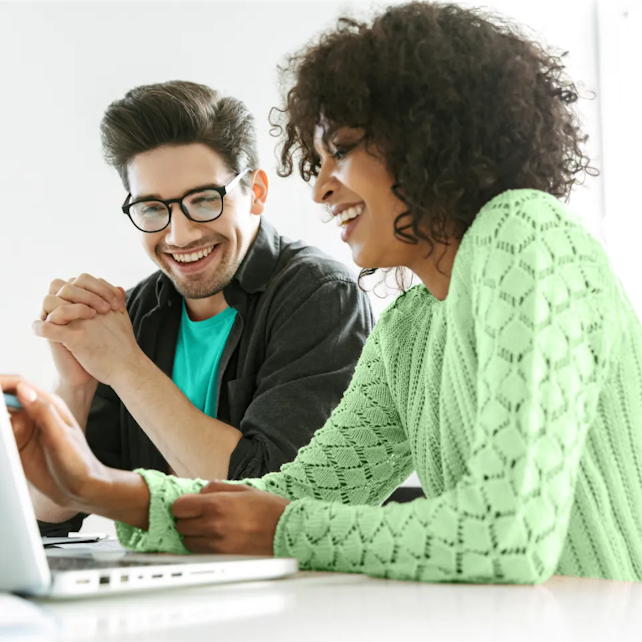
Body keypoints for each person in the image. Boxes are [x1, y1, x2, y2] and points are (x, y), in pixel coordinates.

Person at [5, 0, 642, 583]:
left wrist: (278, 527)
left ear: (425, 138)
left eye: (340, 152)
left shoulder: (522, 231)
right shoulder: (410, 328)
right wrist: (92, 485)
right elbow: (302, 492)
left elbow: (505, 539)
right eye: (317, 161)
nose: (319, 189)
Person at [29, 81, 374, 536]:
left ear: (256, 191)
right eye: (153, 209)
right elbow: (47, 511)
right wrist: (76, 387)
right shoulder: (136, 313)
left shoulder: (321, 296)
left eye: (204, 201)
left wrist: (127, 367)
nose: (179, 236)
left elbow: (266, 502)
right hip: (166, 592)